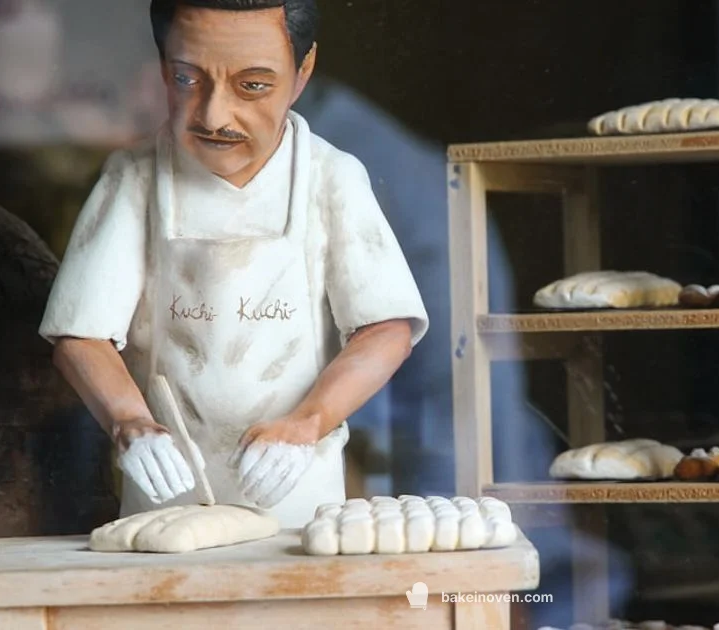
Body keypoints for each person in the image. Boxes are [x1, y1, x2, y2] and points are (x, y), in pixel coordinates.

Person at [38, 0, 428, 528]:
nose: (214, 116)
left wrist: (308, 423)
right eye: (188, 79)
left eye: (253, 86)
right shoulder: (134, 178)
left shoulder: (331, 177)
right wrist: (128, 422)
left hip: (296, 487)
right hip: (168, 487)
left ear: (303, 71)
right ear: (162, 69)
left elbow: (386, 328)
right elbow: (80, 335)